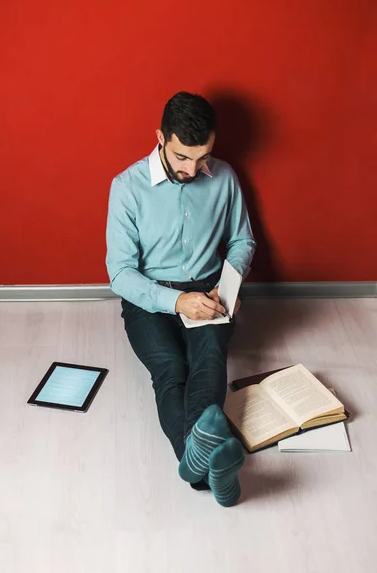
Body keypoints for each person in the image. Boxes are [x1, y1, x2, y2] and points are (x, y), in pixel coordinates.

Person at [105, 91, 256, 507]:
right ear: (160, 138)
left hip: (209, 292)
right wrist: (175, 303)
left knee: (208, 359)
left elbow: (243, 240)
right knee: (171, 368)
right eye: (182, 157)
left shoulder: (224, 177)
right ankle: (204, 474)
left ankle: (194, 468)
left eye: (202, 156)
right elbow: (119, 272)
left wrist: (230, 286)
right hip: (148, 299)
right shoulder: (127, 187)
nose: (193, 168)